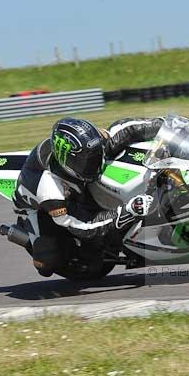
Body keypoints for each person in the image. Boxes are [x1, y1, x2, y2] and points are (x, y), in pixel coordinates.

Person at [12, 116, 162, 276]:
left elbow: (126, 129)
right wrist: (126, 211)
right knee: (48, 261)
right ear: (68, 162)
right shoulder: (50, 191)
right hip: (43, 209)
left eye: (96, 156)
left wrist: (163, 124)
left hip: (77, 189)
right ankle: (31, 238)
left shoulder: (90, 145)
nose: (95, 163)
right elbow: (84, 226)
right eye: (87, 161)